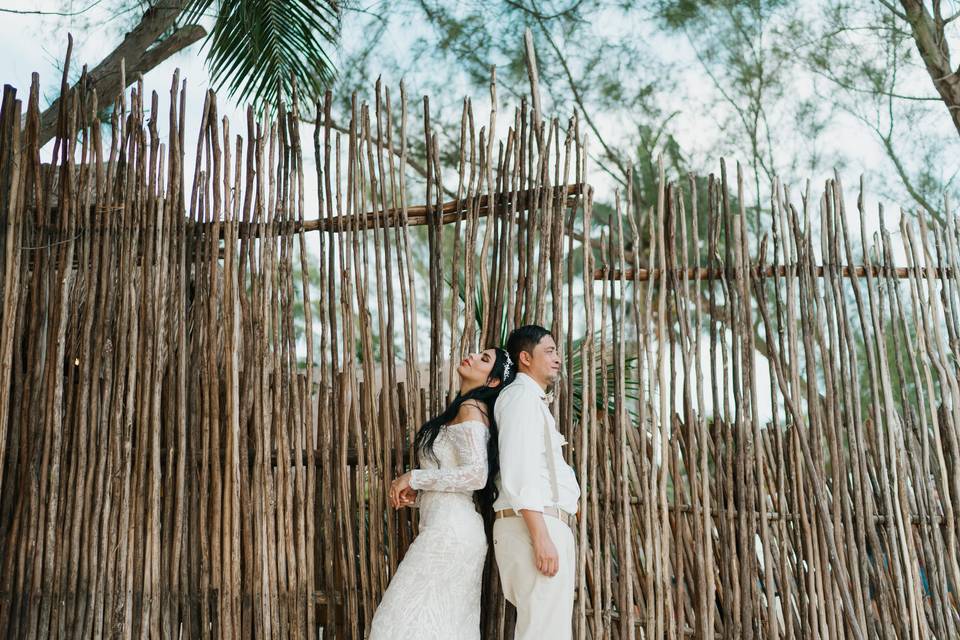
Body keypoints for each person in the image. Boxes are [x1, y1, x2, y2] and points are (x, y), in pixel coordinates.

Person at [368, 347, 516, 640]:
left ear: (494, 382)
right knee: (432, 625)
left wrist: (415, 476)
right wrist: (419, 497)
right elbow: (455, 481)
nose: (472, 356)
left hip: (451, 535)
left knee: (399, 620)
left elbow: (476, 475)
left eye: (484, 359)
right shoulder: (462, 408)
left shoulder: (471, 409)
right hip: (446, 527)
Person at [492, 324, 581, 640]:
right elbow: (521, 469)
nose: (557, 358)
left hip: (541, 523)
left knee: (547, 631)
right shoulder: (520, 399)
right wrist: (541, 536)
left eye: (557, 351)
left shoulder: (531, 401)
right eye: (549, 351)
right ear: (525, 358)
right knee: (543, 633)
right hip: (533, 525)